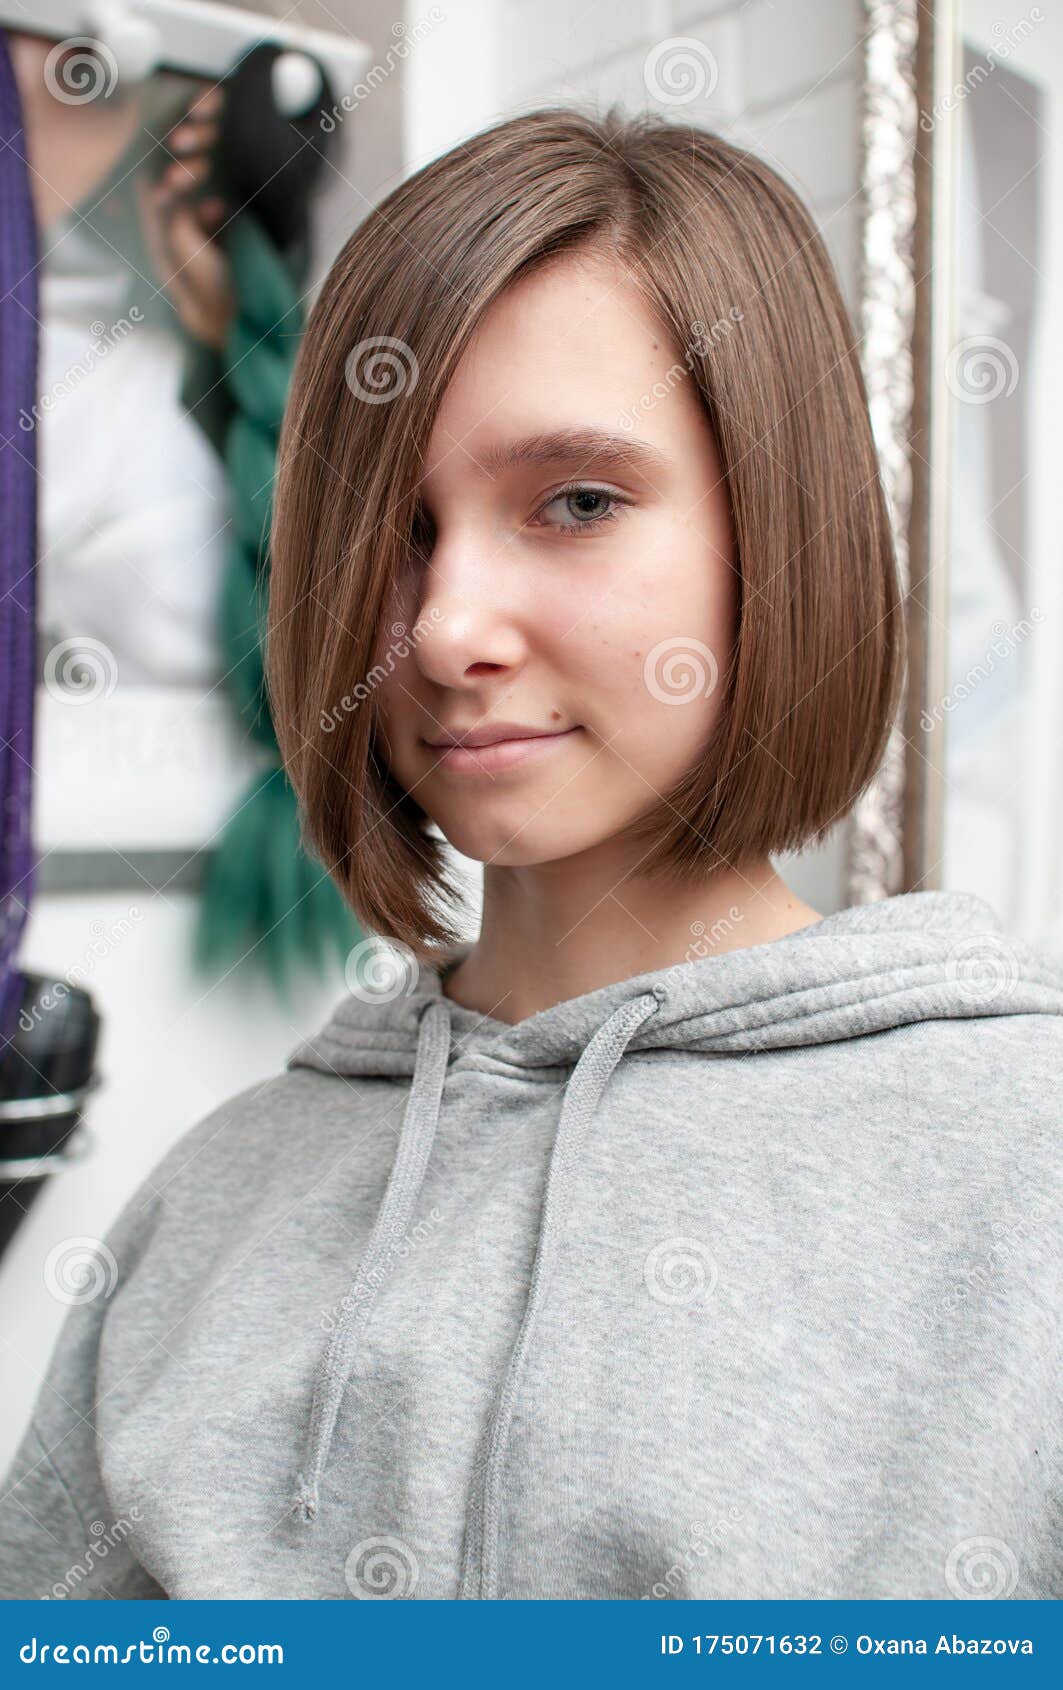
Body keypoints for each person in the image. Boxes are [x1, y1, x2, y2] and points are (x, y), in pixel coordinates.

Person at [1, 105, 1061, 1603]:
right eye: (400, 529)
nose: (444, 630)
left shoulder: (1029, 1171)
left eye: (575, 502)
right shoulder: (215, 1194)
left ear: (781, 527)